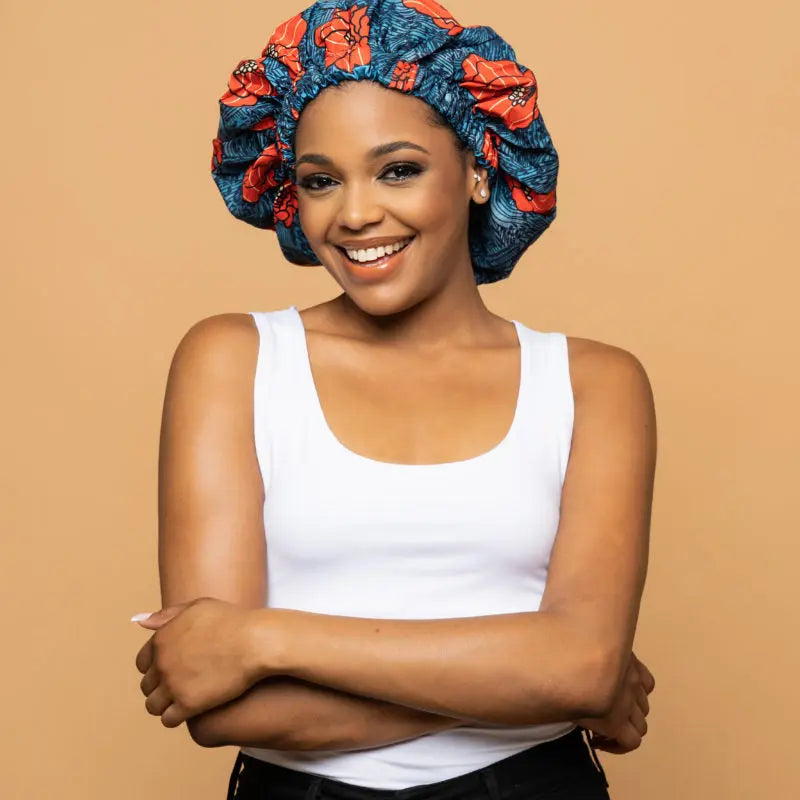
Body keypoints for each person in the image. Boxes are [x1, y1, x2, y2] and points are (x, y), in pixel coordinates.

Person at [134, 1, 657, 797]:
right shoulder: (235, 360)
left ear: (479, 167)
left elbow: (583, 668)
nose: (355, 214)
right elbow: (216, 700)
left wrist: (263, 639)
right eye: (320, 180)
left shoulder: (594, 384)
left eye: (398, 169)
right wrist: (535, 685)